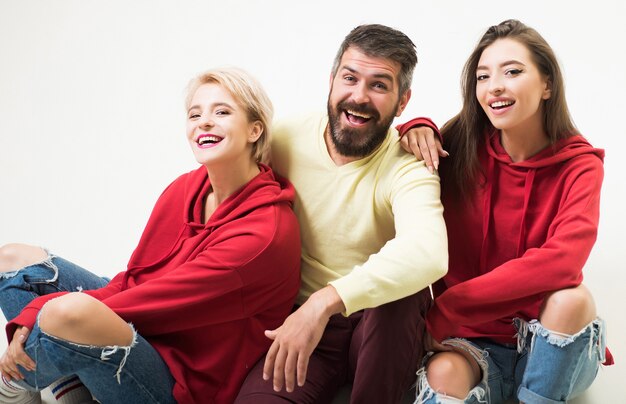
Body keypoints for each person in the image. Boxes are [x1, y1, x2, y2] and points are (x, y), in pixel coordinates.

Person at [0, 67, 301, 404]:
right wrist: (44, 312)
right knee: (12, 260)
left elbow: (148, 304)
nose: (203, 122)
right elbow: (133, 280)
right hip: (147, 331)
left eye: (222, 112)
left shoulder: (263, 235)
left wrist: (38, 313)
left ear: (254, 129)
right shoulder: (186, 188)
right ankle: (71, 389)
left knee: (67, 313)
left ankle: (11, 386)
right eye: (194, 114)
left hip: (179, 381)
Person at [399, 19, 613, 403]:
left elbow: (562, 262)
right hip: (473, 346)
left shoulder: (581, 166)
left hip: (550, 345)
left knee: (572, 298)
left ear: (547, 84)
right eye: (483, 76)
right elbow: (388, 167)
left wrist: (448, 306)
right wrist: (416, 126)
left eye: (512, 71)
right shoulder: (460, 144)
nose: (494, 85)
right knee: (444, 373)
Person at [236, 24, 448, 403]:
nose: (359, 96)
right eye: (350, 78)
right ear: (332, 80)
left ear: (402, 103)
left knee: (403, 293)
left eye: (379, 85)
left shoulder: (410, 165)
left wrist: (325, 301)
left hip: (379, 328)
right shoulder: (284, 139)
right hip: (303, 330)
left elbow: (428, 252)